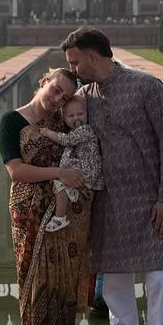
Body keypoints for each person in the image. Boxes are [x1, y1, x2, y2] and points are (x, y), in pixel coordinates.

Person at [61, 27, 163, 325]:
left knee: (160, 285)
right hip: (110, 208)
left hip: (151, 204)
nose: (74, 70)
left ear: (94, 56)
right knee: (115, 291)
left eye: (76, 62)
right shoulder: (84, 98)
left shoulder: (147, 86)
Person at [0, 67, 90, 325]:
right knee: (30, 291)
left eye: (65, 96)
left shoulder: (62, 123)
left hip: (62, 217)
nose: (58, 99)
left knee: (58, 292)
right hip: (28, 214)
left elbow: (86, 147)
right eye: (55, 90)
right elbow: (17, 171)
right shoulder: (12, 122)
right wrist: (61, 172)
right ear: (44, 81)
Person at [38, 92, 103, 232]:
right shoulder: (76, 131)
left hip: (87, 171)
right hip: (86, 171)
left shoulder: (84, 130)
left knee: (59, 183)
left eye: (80, 114)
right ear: (64, 118)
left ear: (87, 114)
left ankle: (60, 217)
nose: (76, 118)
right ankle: (71, 192)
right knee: (61, 180)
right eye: (71, 116)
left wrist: (48, 133)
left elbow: (67, 140)